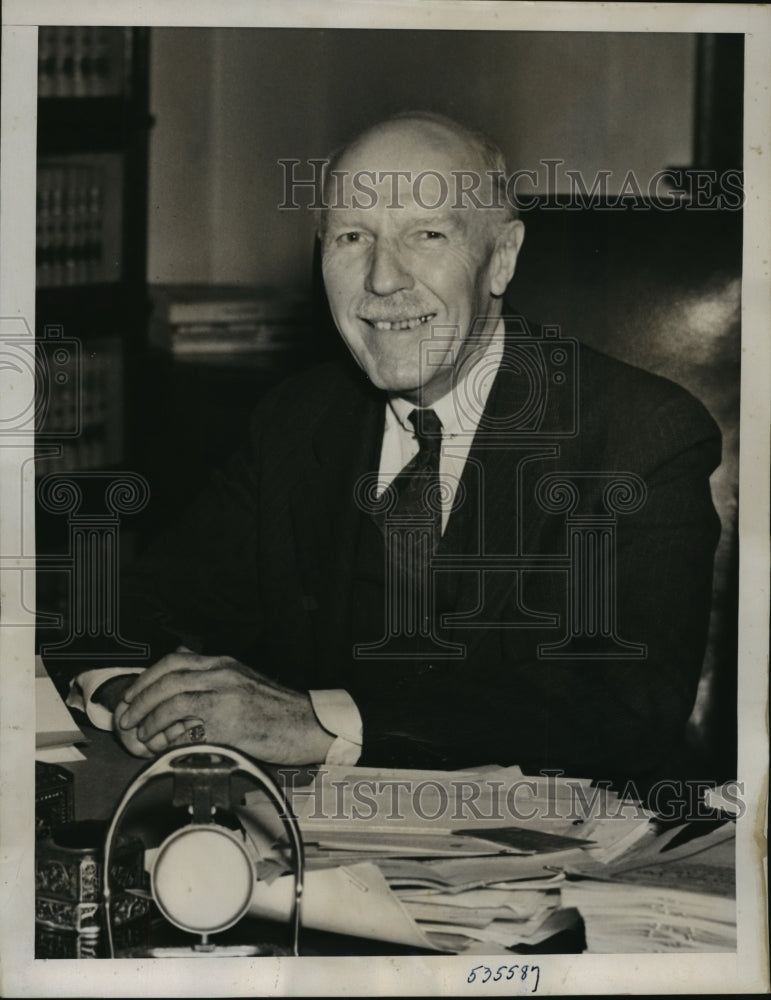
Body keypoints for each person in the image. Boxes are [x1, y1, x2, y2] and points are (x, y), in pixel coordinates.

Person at [66, 111, 721, 783]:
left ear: (500, 258)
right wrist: (132, 695)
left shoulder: (639, 434)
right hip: (325, 854)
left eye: (426, 234)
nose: (382, 280)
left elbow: (621, 707)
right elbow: (122, 610)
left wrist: (316, 723)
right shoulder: (298, 420)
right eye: (352, 236)